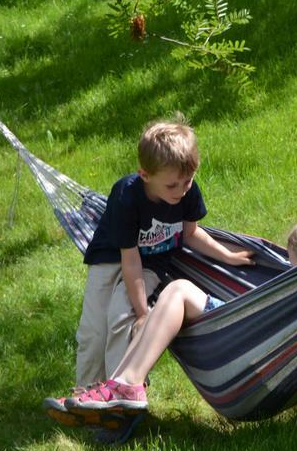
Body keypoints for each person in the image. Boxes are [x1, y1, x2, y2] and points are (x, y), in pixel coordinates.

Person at [64, 214, 297, 412]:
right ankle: (116, 387)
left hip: (244, 338)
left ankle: (126, 385)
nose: (288, 268)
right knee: (169, 301)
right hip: (251, 338)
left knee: (177, 290)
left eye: (292, 262)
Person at [70, 113, 254, 392]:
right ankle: (85, 393)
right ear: (144, 175)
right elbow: (128, 258)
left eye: (188, 182)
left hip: (151, 263)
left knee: (121, 317)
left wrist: (227, 257)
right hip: (111, 257)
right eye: (172, 185)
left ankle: (116, 393)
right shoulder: (127, 195)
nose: (181, 191)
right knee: (93, 331)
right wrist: (145, 312)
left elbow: (190, 233)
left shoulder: (187, 192)